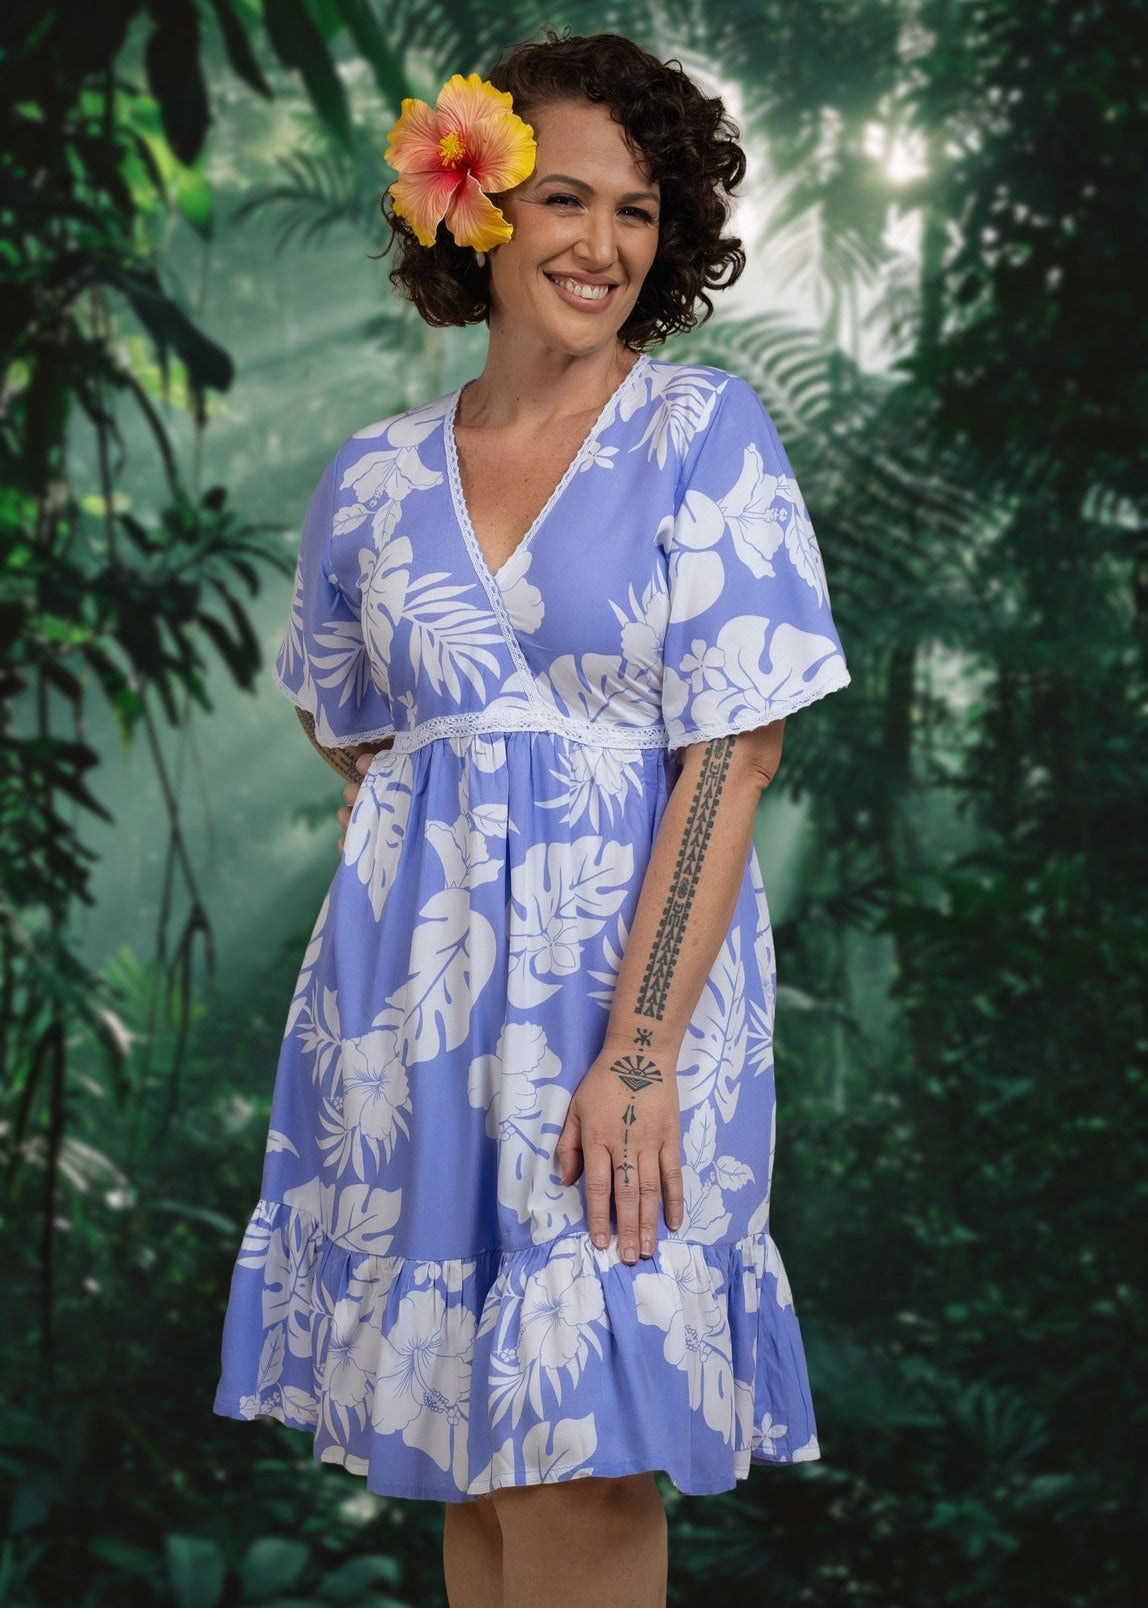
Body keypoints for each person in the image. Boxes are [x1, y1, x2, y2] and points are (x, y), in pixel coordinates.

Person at [213, 30, 850, 1608]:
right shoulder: (371, 482)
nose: (603, 245)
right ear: (475, 213)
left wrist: (638, 1051)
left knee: (577, 1451)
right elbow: (346, 713)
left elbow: (736, 757)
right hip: (421, 1023)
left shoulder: (704, 436)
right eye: (564, 198)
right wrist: (448, 832)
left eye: (640, 212)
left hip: (625, 1010)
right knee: (473, 1453)